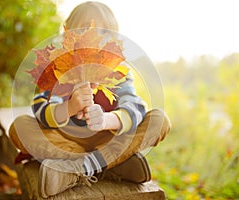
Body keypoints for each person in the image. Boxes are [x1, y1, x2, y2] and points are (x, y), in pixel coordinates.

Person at [9, 1, 171, 198]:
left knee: (158, 120)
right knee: (20, 126)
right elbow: (40, 106)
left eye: (104, 32)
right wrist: (68, 108)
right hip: (65, 140)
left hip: (107, 139)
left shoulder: (117, 71)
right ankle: (110, 165)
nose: (94, 37)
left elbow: (134, 105)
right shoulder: (57, 68)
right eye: (84, 29)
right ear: (67, 34)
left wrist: (107, 120)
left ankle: (77, 170)